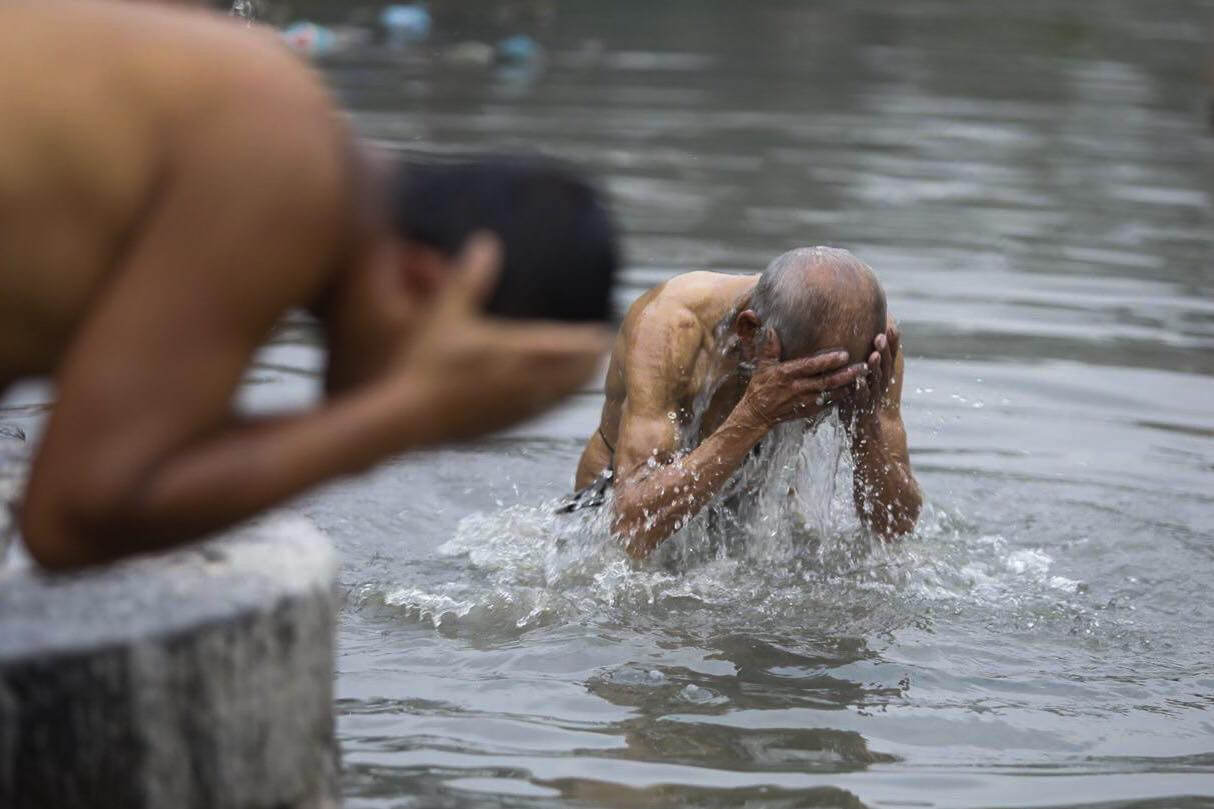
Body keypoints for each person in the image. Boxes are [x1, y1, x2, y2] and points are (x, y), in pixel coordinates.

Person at [0, 1, 617, 570]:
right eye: (455, 376)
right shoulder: (282, 162)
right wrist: (412, 410)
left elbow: (130, 464)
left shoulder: (263, 140)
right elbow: (74, 515)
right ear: (422, 282)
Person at [573, 247, 921, 559]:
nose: (819, 404)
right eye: (807, 383)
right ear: (749, 331)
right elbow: (631, 528)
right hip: (607, 507)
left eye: (837, 388)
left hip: (756, 511)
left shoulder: (872, 348)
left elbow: (894, 528)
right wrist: (755, 415)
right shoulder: (669, 328)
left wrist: (866, 423)